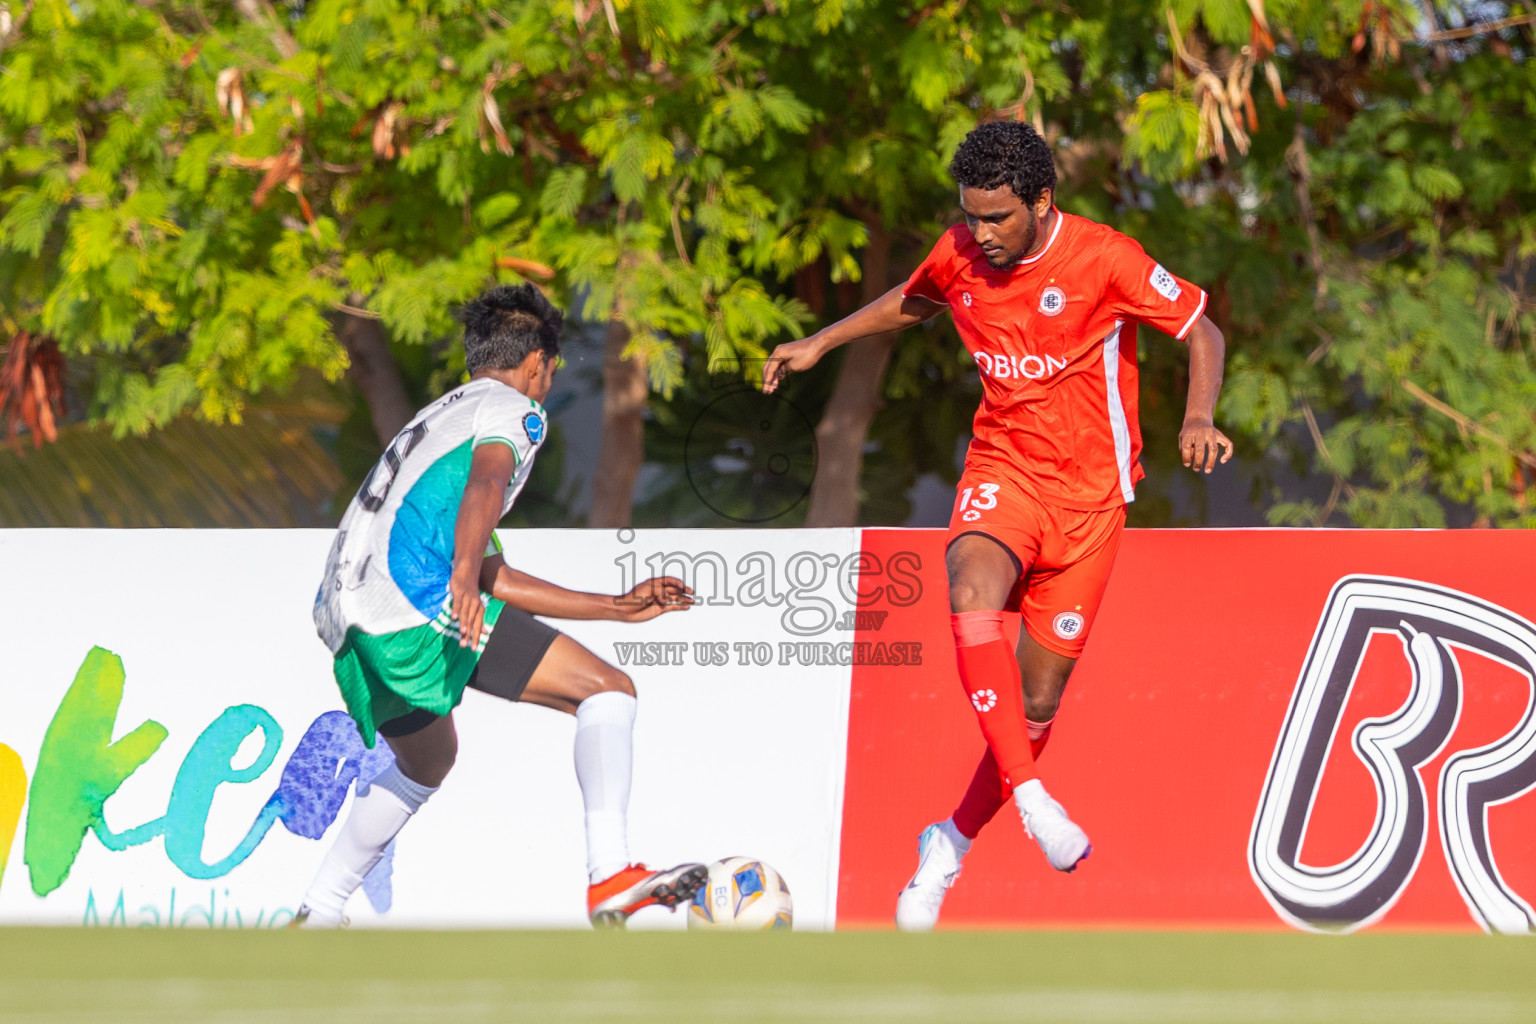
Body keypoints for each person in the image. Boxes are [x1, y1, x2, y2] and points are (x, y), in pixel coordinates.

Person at [762, 121, 1232, 931]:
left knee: (1038, 699)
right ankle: (1035, 799)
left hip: (1092, 504)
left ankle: (949, 842)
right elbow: (913, 301)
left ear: (1041, 201)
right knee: (970, 580)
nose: (979, 234)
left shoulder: (1105, 258)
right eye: (970, 216)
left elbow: (1202, 329)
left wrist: (1198, 416)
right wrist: (821, 340)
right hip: (1004, 471)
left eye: (996, 219)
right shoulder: (960, 251)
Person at [298, 284, 705, 928]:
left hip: (348, 617)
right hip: (411, 605)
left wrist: (616, 606)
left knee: (428, 761)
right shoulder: (515, 410)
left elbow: (495, 575)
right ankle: (611, 878)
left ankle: (316, 913)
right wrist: (461, 574)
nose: (545, 385)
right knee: (607, 691)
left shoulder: (442, 416)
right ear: (537, 362)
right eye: (550, 372)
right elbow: (489, 484)